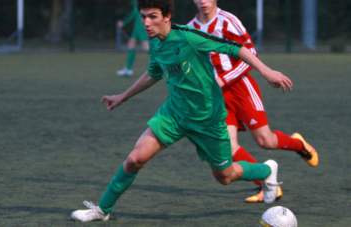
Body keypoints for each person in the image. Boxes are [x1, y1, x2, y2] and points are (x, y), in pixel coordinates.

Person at [71, 0, 292, 222]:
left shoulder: (189, 36)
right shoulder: (156, 43)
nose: (147, 23)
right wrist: (122, 96)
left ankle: (266, 171)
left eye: (153, 16)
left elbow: (235, 47)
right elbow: (153, 74)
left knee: (226, 176)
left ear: (167, 16)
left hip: (208, 120)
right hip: (174, 114)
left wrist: (266, 71)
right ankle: (102, 209)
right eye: (144, 16)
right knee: (135, 159)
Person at [186, 0, 318, 203]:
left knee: (266, 141)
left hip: (241, 88)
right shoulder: (189, 28)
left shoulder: (229, 21)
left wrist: (222, 79)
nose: (203, 1)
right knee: (229, 148)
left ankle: (298, 144)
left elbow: (251, 54)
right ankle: (267, 184)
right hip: (217, 96)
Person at [116, 0, 150, 77]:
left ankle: (163, 64)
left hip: (141, 26)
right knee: (131, 45)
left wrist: (124, 22)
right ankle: (128, 69)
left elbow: (135, 12)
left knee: (146, 47)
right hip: (137, 26)